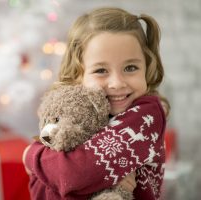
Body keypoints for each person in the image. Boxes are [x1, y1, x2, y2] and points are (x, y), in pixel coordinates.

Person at [23, 7, 170, 200]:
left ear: (147, 66)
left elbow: (72, 175)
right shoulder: (74, 109)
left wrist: (31, 156)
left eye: (130, 67)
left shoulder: (146, 116)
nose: (117, 83)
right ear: (78, 73)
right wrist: (41, 160)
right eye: (101, 70)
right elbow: (41, 181)